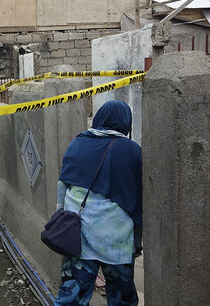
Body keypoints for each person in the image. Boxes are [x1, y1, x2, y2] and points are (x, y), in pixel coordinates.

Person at [53, 100, 142, 306]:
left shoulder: (77, 143)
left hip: (79, 237)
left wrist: (61, 223)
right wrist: (137, 242)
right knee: (122, 300)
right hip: (117, 242)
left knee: (71, 298)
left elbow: (62, 188)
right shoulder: (132, 151)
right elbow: (138, 203)